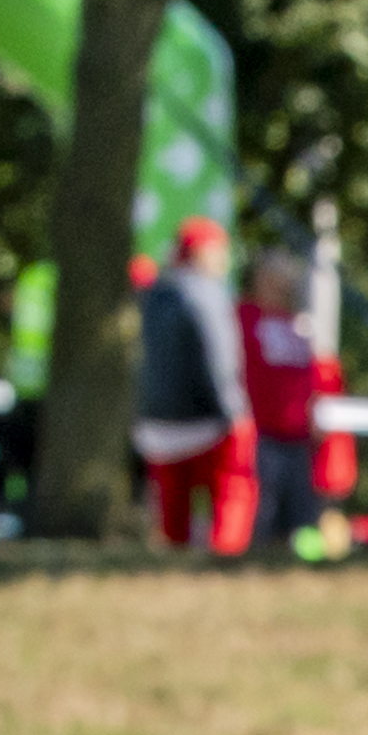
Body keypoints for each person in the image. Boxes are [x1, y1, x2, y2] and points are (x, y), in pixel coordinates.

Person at [135, 217, 256, 555]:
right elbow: (218, 360)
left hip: (156, 425)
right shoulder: (207, 294)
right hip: (206, 423)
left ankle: (172, 560)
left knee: (173, 512)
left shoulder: (153, 295)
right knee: (233, 490)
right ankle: (226, 556)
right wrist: (233, 410)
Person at [240, 232, 331, 560]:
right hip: (259, 434)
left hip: (298, 436)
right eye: (278, 273)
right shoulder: (243, 317)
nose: (286, 281)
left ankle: (307, 561)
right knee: (262, 507)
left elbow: (310, 382)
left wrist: (315, 417)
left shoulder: (299, 324)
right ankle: (257, 559)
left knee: (303, 508)